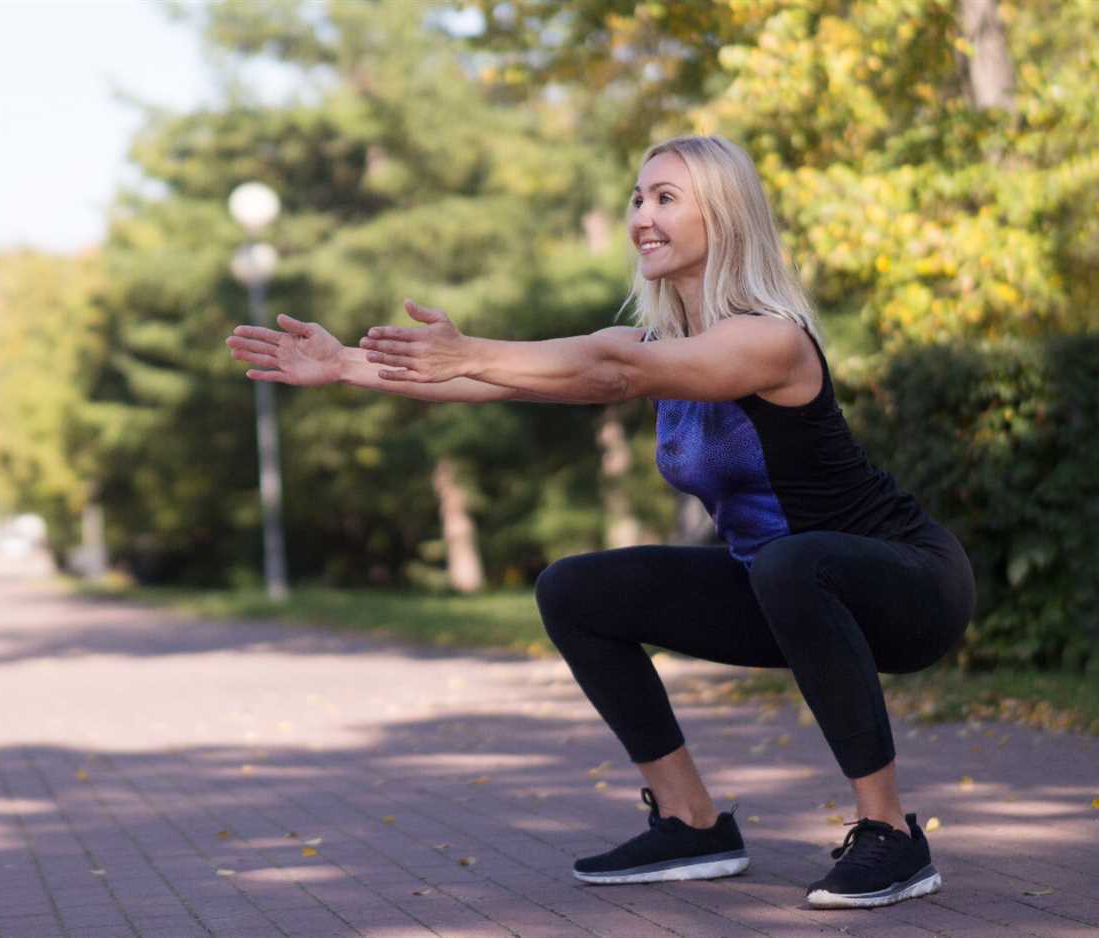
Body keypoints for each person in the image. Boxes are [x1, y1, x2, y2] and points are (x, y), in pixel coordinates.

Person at [225, 134, 976, 909]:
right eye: (637, 199)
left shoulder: (769, 338)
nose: (643, 217)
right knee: (576, 589)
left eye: (666, 199)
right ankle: (692, 823)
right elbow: (510, 382)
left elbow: (605, 369)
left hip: (908, 584)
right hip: (782, 588)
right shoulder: (654, 344)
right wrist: (346, 363)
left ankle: (889, 833)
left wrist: (469, 348)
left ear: (724, 217)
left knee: (791, 562)